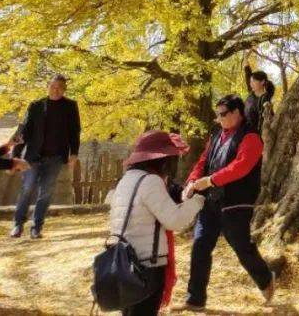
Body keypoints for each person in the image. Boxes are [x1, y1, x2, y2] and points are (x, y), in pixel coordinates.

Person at [180, 94, 275, 309]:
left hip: (236, 203)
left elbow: (241, 166)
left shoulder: (251, 137)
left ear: (236, 113)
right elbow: (203, 161)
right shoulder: (216, 135)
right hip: (210, 202)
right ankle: (195, 299)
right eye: (217, 115)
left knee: (241, 247)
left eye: (223, 114)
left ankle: (265, 278)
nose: (219, 119)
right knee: (200, 245)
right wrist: (192, 181)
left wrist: (211, 180)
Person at [108, 131, 205, 315]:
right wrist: (197, 203)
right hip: (146, 265)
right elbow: (174, 221)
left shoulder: (126, 180)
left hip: (122, 261)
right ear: (161, 159)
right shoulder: (151, 181)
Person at [10, 74, 80, 238]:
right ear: (48, 87)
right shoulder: (36, 106)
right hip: (33, 157)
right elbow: (24, 131)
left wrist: (74, 153)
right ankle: (18, 225)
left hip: (55, 158)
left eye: (60, 88)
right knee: (27, 189)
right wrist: (16, 155)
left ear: (64, 90)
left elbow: (74, 132)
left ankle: (36, 227)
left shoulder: (70, 106)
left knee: (46, 192)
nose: (56, 90)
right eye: (53, 86)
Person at [243, 65, 275, 135]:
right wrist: (245, 56)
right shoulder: (252, 92)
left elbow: (264, 124)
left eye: (253, 81)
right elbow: (247, 73)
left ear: (262, 82)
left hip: (254, 136)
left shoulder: (265, 101)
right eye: (250, 82)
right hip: (243, 131)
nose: (251, 84)